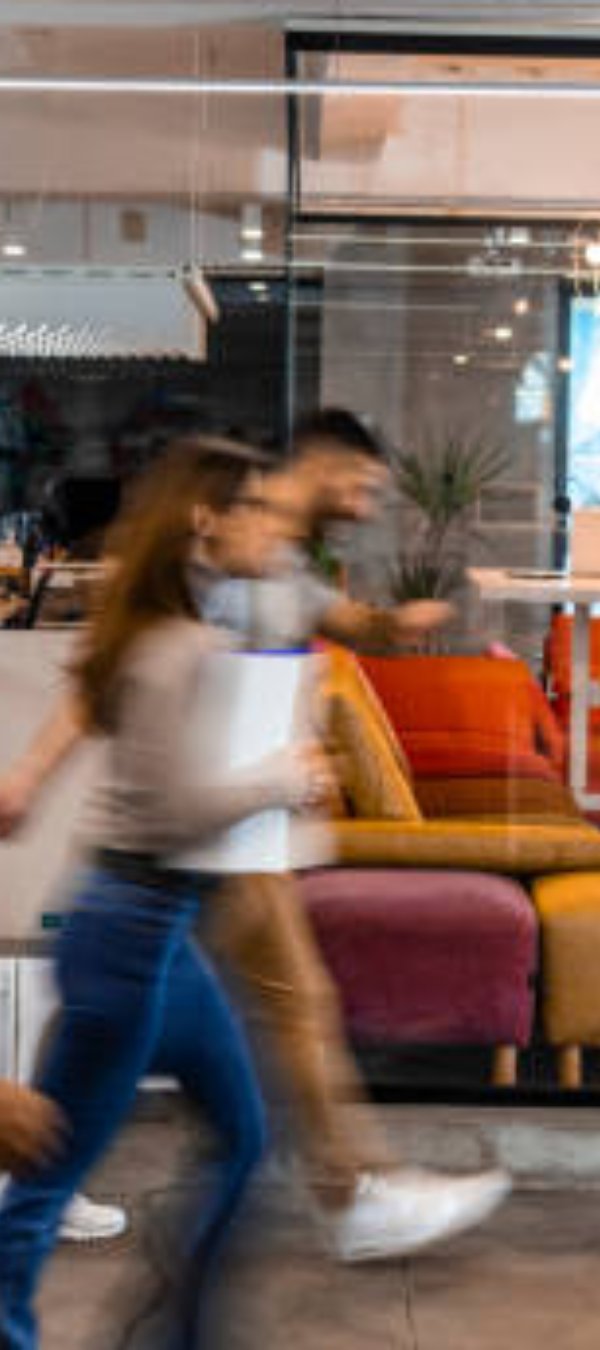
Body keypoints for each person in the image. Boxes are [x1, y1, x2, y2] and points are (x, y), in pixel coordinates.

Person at [0, 409, 510, 1265]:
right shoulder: (223, 542)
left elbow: (344, 624)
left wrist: (401, 626)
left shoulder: (278, 560)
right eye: (362, 484)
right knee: (274, 1002)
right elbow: (107, 676)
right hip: (194, 833)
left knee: (130, 1021)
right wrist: (31, 776)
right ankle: (344, 1193)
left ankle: (51, 1166)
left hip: (223, 839)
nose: (366, 501)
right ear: (321, 465)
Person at [0, 437, 335, 1350]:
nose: (277, 526)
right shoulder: (176, 646)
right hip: (129, 935)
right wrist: (285, 778)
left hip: (165, 932)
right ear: (205, 520)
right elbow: (181, 813)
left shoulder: (175, 632)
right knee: (42, 1181)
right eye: (258, 510)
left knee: (245, 1134)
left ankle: (178, 1336)